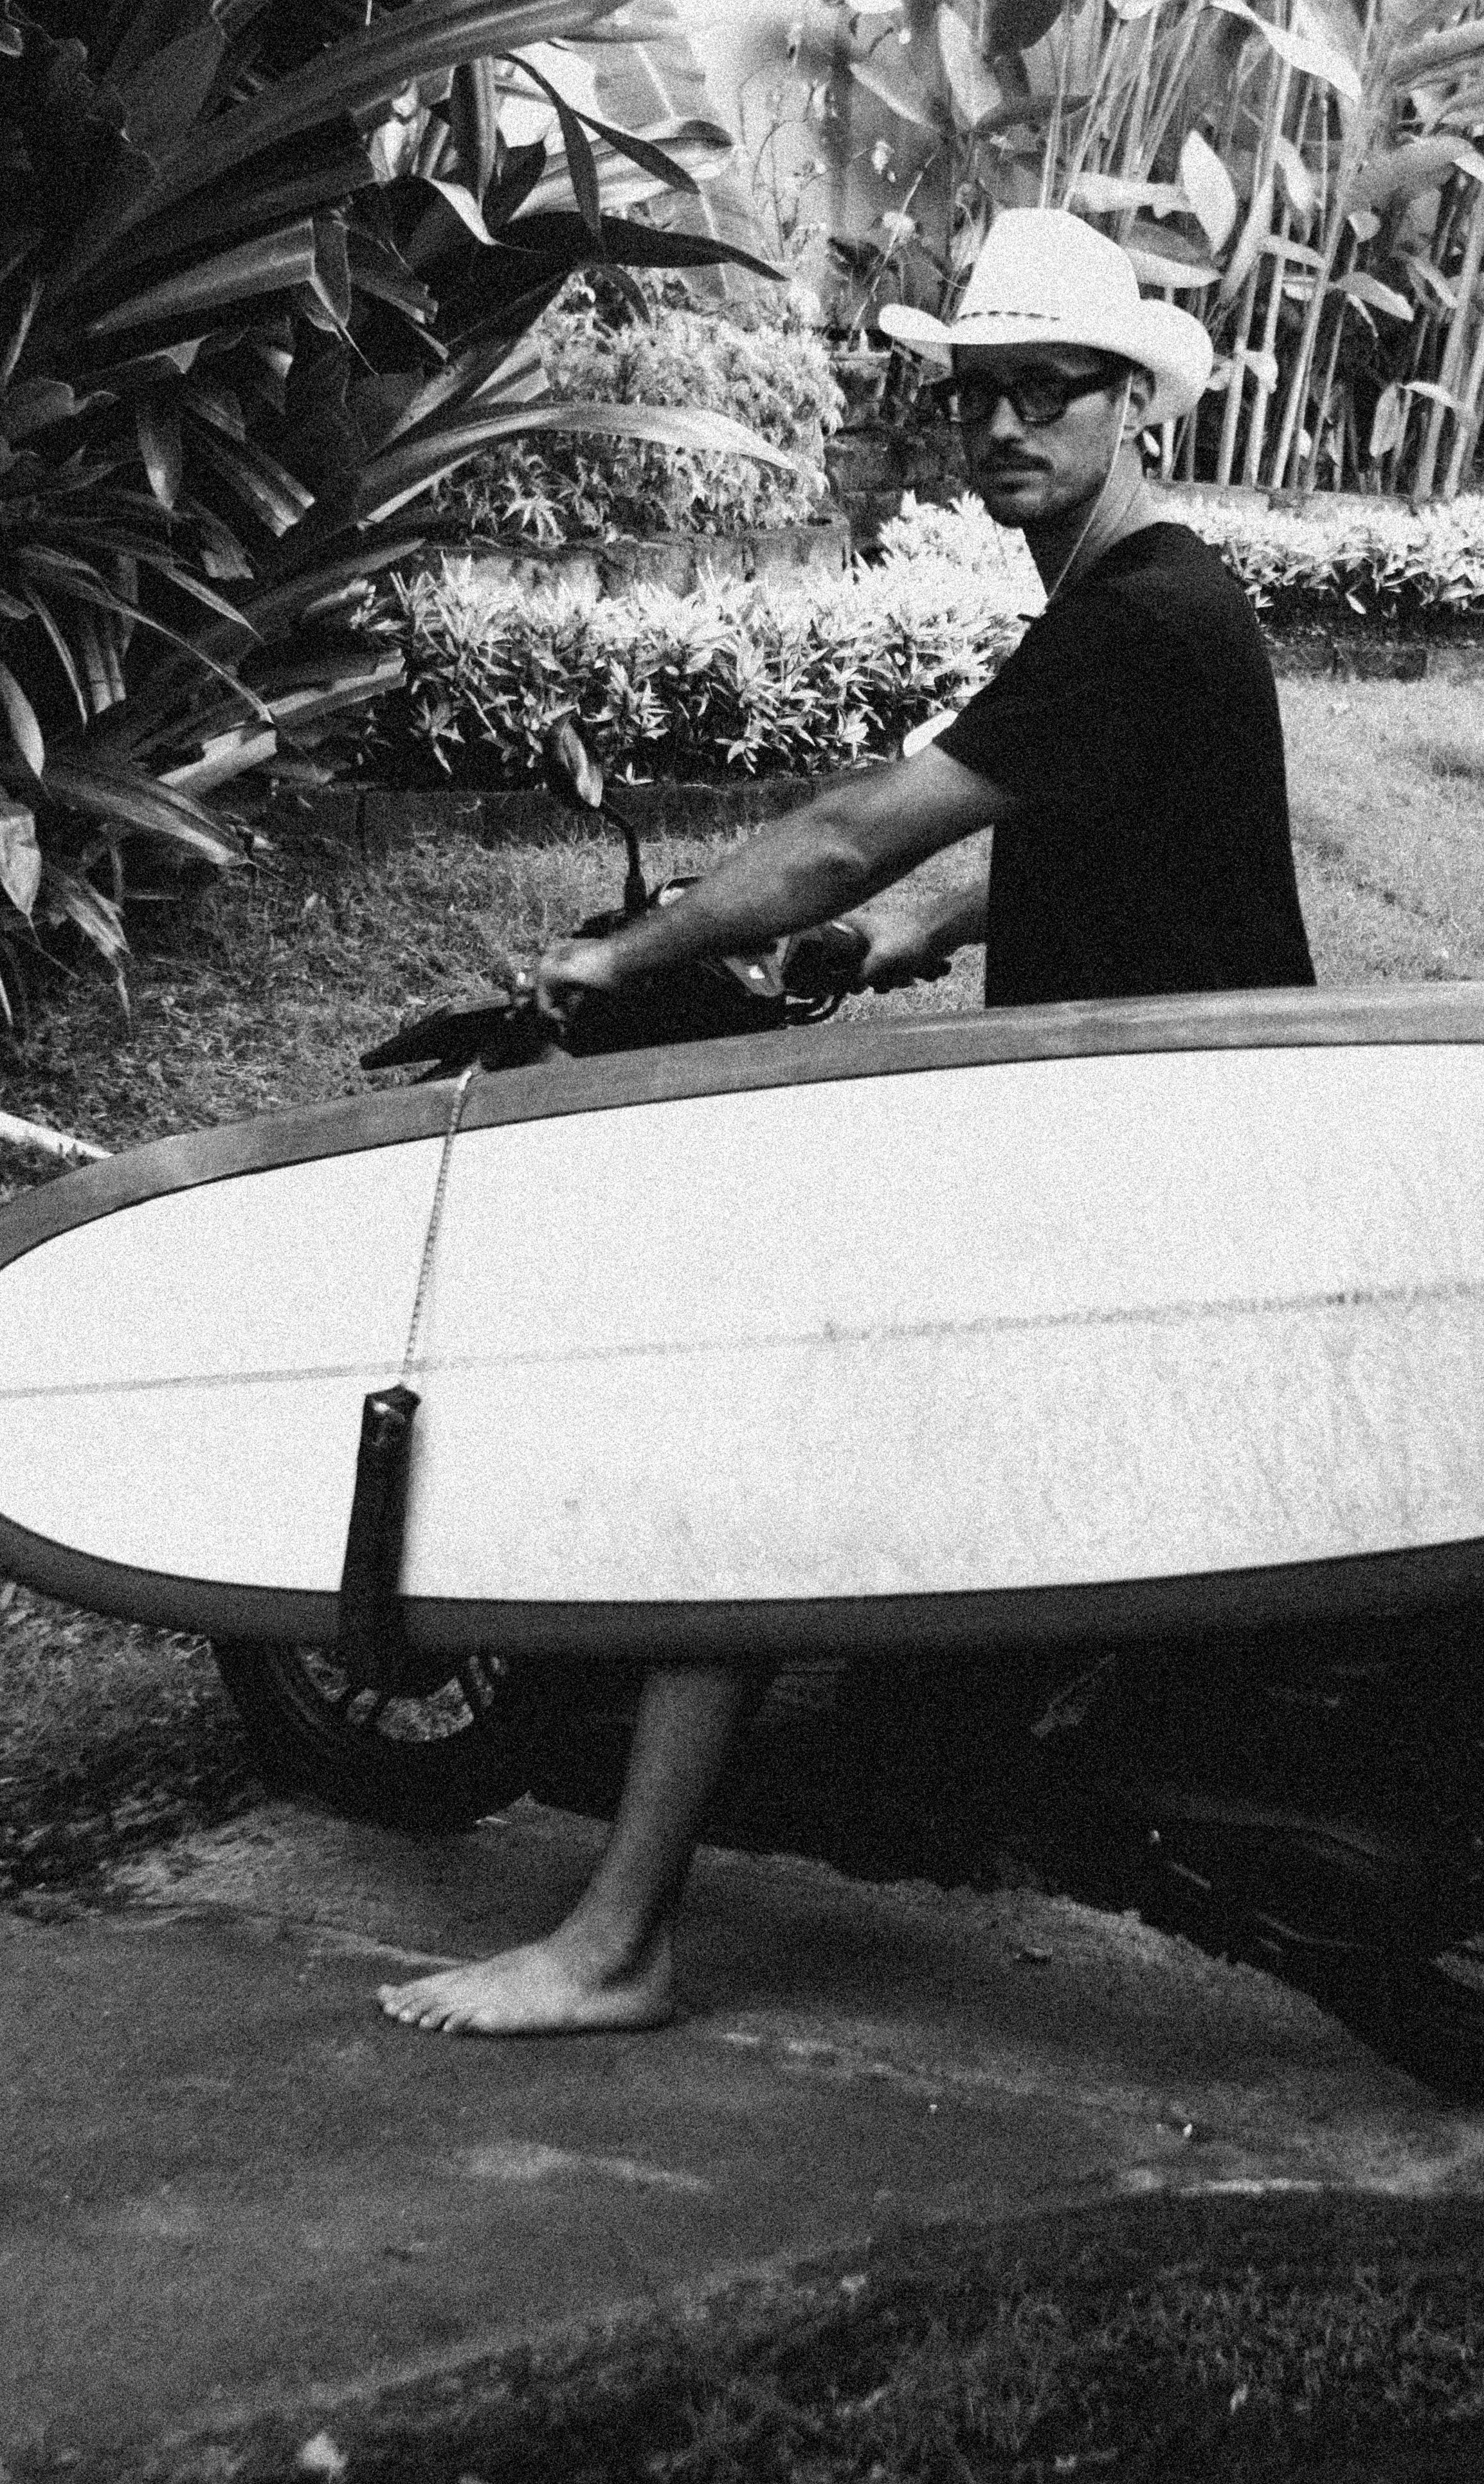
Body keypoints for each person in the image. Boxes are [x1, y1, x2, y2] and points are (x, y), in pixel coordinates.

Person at [379, 211, 1314, 2036]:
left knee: (757, 1426)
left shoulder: (1137, 615)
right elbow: (1078, 830)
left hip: (1135, 1170)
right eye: (980, 390)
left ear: (1135, 402)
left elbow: (844, 833)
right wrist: (900, 941)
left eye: (1051, 388)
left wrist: (625, 953)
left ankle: (616, 1943)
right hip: (1165, 1136)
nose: (1006, 422)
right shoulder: (1148, 602)